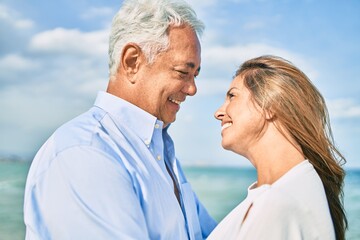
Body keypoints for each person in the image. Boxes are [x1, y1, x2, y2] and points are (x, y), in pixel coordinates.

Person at [23, 0, 217, 239]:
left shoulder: (161, 155)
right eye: (182, 72)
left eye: (195, 75)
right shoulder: (86, 153)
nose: (192, 89)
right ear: (132, 61)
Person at [208, 55, 347, 240]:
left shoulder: (277, 205)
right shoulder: (291, 193)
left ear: (270, 104)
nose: (218, 113)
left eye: (232, 96)